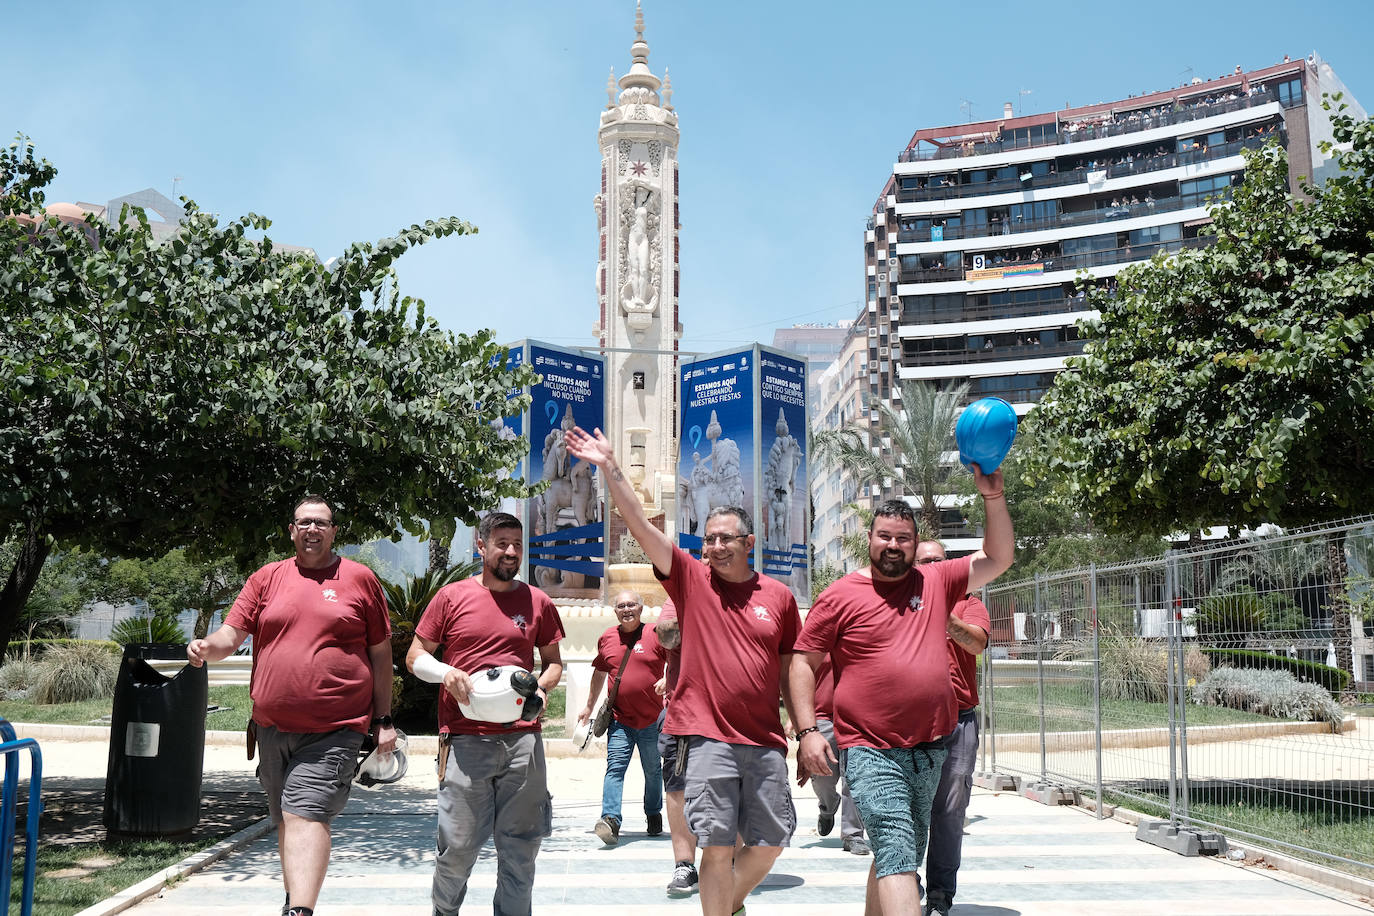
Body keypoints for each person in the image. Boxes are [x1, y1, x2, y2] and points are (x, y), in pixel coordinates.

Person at [565, 425, 801, 916]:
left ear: (749, 542)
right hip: (706, 736)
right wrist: (610, 468)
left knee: (771, 841)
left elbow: (790, 668)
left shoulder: (778, 597)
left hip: (763, 740)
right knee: (715, 846)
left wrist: (808, 729)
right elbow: (642, 527)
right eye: (709, 539)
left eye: (725, 538)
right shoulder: (691, 580)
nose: (715, 546)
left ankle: (728, 903)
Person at [790, 482, 1012, 916]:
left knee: (898, 850)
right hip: (869, 748)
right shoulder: (839, 595)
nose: (893, 545)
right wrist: (807, 731)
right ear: (869, 539)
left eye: (903, 538)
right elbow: (802, 664)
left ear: (915, 542)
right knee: (897, 851)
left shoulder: (937, 580)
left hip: (929, 748)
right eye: (885, 536)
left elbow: (999, 557)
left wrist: (993, 495)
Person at [188, 495, 394, 916]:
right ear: (291, 531)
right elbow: (231, 635)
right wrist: (207, 647)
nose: (312, 529)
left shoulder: (360, 579)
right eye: (304, 522)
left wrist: (384, 719)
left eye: (321, 522)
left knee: (305, 813)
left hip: (336, 727)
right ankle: (294, 897)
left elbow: (380, 653)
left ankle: (300, 911)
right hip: (272, 726)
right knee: (286, 817)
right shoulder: (266, 578)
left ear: (334, 531)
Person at [406, 511, 566, 916]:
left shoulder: (538, 601)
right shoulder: (451, 597)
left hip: (522, 740)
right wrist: (446, 674)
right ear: (481, 546)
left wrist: (541, 688)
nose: (511, 552)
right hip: (465, 740)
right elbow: (415, 656)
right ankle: (445, 911)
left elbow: (553, 663)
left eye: (517, 544)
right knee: (458, 847)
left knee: (521, 849)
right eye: (502, 543)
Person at [916, 541, 992, 916]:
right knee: (904, 809)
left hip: (958, 722)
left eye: (937, 561)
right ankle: (903, 881)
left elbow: (977, 644)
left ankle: (940, 895)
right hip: (910, 724)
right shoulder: (898, 604)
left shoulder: (968, 603)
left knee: (949, 811)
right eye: (923, 562)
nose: (931, 566)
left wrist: (942, 614)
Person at [578, 589, 668, 846]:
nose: (626, 610)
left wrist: (667, 679)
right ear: (615, 611)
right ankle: (611, 819)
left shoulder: (655, 634)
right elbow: (599, 673)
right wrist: (588, 706)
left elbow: (675, 661)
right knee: (615, 768)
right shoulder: (607, 637)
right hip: (620, 720)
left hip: (651, 720)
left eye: (631, 605)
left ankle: (653, 813)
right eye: (621, 606)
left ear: (641, 608)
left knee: (653, 771)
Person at [655, 596, 701, 896]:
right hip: (682, 715)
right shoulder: (678, 597)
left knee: (731, 787)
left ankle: (731, 859)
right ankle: (685, 864)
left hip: (728, 715)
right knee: (677, 788)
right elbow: (667, 635)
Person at [805, 658, 868, 856]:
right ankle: (828, 806)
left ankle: (853, 834)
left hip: (857, 717)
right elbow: (801, 676)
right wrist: (798, 719)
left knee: (855, 777)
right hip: (823, 715)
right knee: (821, 775)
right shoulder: (817, 642)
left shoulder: (862, 640)